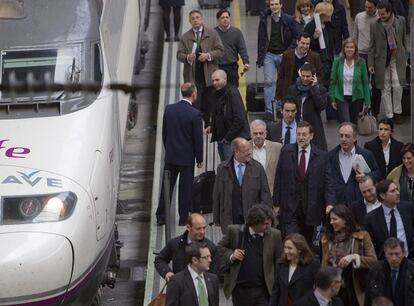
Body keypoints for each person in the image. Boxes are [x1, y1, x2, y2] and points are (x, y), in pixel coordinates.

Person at [274, 121, 334, 243]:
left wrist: (329, 203)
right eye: (298, 134)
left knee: (307, 244)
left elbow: (328, 182)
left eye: (304, 134)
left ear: (311, 136)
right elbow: (279, 177)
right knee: (292, 240)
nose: (300, 137)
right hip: (290, 206)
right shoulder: (286, 151)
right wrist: (276, 203)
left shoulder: (322, 156)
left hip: (311, 207)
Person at [156, 83, 203, 226]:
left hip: (171, 156)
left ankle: (161, 217)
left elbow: (165, 133)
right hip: (187, 159)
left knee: (166, 187)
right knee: (185, 190)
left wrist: (169, 148)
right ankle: (183, 219)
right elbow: (197, 139)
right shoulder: (195, 114)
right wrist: (199, 158)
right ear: (194, 94)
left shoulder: (169, 110)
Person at [217, 204, 283, 306]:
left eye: (269, 223)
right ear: (254, 223)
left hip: (264, 291)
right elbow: (220, 247)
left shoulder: (275, 235)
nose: (268, 226)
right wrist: (232, 255)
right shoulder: (235, 231)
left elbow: (279, 261)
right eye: (265, 224)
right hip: (240, 291)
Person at [321, 205, 377, 306]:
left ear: (345, 219)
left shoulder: (362, 235)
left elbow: (373, 261)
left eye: (335, 219)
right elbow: (324, 264)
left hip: (355, 285)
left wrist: (354, 257)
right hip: (333, 287)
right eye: (330, 219)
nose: (331, 222)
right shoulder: (327, 239)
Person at [213, 138, 272, 232]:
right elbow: (217, 194)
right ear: (236, 151)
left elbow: (265, 194)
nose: (250, 153)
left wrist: (266, 217)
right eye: (246, 150)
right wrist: (216, 219)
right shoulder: (223, 168)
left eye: (250, 149)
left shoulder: (257, 167)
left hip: (252, 218)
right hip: (230, 218)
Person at [177, 10, 224, 114]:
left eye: (197, 17)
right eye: (193, 18)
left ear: (202, 19)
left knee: (211, 108)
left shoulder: (212, 34)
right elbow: (179, 55)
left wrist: (208, 55)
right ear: (189, 21)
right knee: (195, 109)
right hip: (193, 79)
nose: (195, 20)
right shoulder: (185, 37)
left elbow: (221, 51)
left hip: (210, 79)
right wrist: (188, 57)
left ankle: (209, 127)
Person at [257, 0, 297, 119]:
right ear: (269, 6)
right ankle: (269, 110)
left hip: (283, 55)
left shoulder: (289, 19)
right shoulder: (265, 18)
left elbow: (295, 38)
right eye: (272, 4)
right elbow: (261, 38)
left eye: (276, 4)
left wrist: (286, 53)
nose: (274, 6)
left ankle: (280, 108)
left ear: (281, 5)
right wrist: (260, 57)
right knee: (269, 82)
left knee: (283, 83)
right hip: (269, 54)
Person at [368, 0, 407, 123]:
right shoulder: (374, 25)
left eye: (383, 14)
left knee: (397, 85)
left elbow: (403, 41)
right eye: (379, 14)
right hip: (381, 61)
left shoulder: (401, 21)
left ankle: (397, 112)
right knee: (385, 88)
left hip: (397, 58)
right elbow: (372, 46)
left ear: (389, 12)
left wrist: (404, 56)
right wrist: (370, 64)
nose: (381, 16)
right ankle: (390, 115)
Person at [155, 214, 221, 281]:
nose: (202, 232)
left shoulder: (211, 248)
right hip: (179, 287)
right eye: (198, 228)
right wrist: (167, 273)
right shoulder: (175, 243)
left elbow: (214, 275)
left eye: (204, 228)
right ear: (188, 227)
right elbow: (160, 259)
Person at [328, 122, 380, 206]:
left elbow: (377, 173)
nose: (343, 139)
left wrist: (366, 176)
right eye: (341, 136)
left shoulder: (366, 154)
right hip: (338, 203)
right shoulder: (331, 156)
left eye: (347, 136)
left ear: (355, 138)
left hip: (358, 201)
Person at [206, 69, 250, 161]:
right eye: (213, 80)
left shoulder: (233, 93)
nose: (214, 83)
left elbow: (240, 118)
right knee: (225, 169)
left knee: (232, 169)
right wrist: (211, 126)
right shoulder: (215, 94)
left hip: (232, 140)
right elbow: (217, 114)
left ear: (225, 79)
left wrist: (227, 138)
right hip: (222, 139)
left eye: (217, 80)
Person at [364, 179, 414, 259]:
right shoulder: (371, 218)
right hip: (385, 264)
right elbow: (369, 245)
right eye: (393, 191)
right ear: (382, 195)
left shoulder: (408, 208)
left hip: (409, 260)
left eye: (397, 189)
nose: (398, 193)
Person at [269, 233, 320, 306]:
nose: (286, 251)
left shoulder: (312, 265)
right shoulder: (281, 264)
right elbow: (276, 291)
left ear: (300, 249)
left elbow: (319, 290)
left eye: (290, 248)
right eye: (285, 247)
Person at [329, 38, 371, 125]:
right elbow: (333, 81)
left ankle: (352, 138)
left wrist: (368, 101)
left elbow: (365, 82)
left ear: (355, 49)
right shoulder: (337, 61)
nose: (349, 49)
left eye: (352, 47)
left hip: (357, 97)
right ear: (343, 49)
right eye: (347, 47)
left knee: (354, 124)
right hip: (341, 97)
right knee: (346, 123)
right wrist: (332, 98)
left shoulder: (361, 62)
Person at [287, 62, 328, 151]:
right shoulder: (292, 89)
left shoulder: (320, 89)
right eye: (303, 76)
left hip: (313, 126)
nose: (305, 79)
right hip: (296, 125)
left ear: (313, 76)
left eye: (308, 76)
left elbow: (321, 106)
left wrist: (314, 88)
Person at [165, 241, 220, 306]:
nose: (210, 260)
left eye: (210, 256)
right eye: (206, 257)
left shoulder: (213, 279)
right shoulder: (176, 281)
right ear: (194, 260)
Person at [365, 237, 414, 306]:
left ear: (403, 253)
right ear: (385, 254)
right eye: (390, 254)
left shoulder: (412, 270)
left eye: (397, 254)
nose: (393, 258)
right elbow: (368, 298)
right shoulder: (375, 271)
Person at [275, 32, 323, 102]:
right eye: (302, 43)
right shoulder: (287, 55)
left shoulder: (315, 57)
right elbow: (281, 76)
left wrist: (315, 81)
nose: (305, 46)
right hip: (290, 93)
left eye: (307, 44)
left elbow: (320, 75)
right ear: (297, 42)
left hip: (308, 95)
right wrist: (278, 95)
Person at [353, 0, 381, 118]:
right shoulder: (359, 17)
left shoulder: (380, 18)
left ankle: (375, 112)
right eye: (366, 7)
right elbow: (355, 36)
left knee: (376, 86)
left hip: (375, 55)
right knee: (359, 84)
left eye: (370, 8)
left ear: (376, 7)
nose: (367, 10)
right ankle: (358, 111)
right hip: (361, 54)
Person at [304, 2, 335, 91]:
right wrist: (313, 38)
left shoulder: (329, 26)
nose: (330, 15)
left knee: (328, 86)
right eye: (329, 14)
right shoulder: (310, 26)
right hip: (318, 62)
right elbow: (305, 46)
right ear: (322, 14)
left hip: (329, 61)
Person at [214, 9, 249, 87]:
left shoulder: (237, 32)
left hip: (232, 66)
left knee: (233, 90)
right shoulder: (213, 33)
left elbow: (242, 49)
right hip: (218, 67)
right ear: (218, 20)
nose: (225, 19)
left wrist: (246, 62)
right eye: (222, 18)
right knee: (219, 90)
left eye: (227, 17)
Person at [250, 119, 282, 195]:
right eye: (255, 133)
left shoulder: (277, 148)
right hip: (251, 194)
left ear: (266, 134)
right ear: (250, 134)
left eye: (261, 133)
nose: (258, 136)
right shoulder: (244, 148)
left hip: (271, 194)